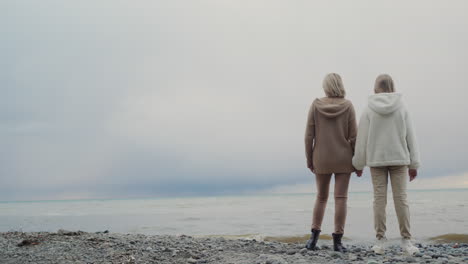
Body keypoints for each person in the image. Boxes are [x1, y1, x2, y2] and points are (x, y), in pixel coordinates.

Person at [352, 74, 420, 255]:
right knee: (401, 200)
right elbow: (411, 137)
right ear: (392, 86)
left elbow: (362, 140)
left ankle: (380, 241)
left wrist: (358, 164)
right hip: (399, 159)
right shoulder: (402, 107)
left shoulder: (368, 109)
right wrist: (414, 164)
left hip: (376, 160)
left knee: (379, 201)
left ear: (376, 88)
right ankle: (406, 241)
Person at [304, 73, 358, 252]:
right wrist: (358, 162)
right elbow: (354, 137)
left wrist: (309, 158)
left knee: (321, 197)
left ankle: (313, 239)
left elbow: (309, 135)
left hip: (321, 157)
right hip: (343, 157)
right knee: (340, 198)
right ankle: (338, 242)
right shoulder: (348, 105)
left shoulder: (316, 105)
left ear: (326, 86)